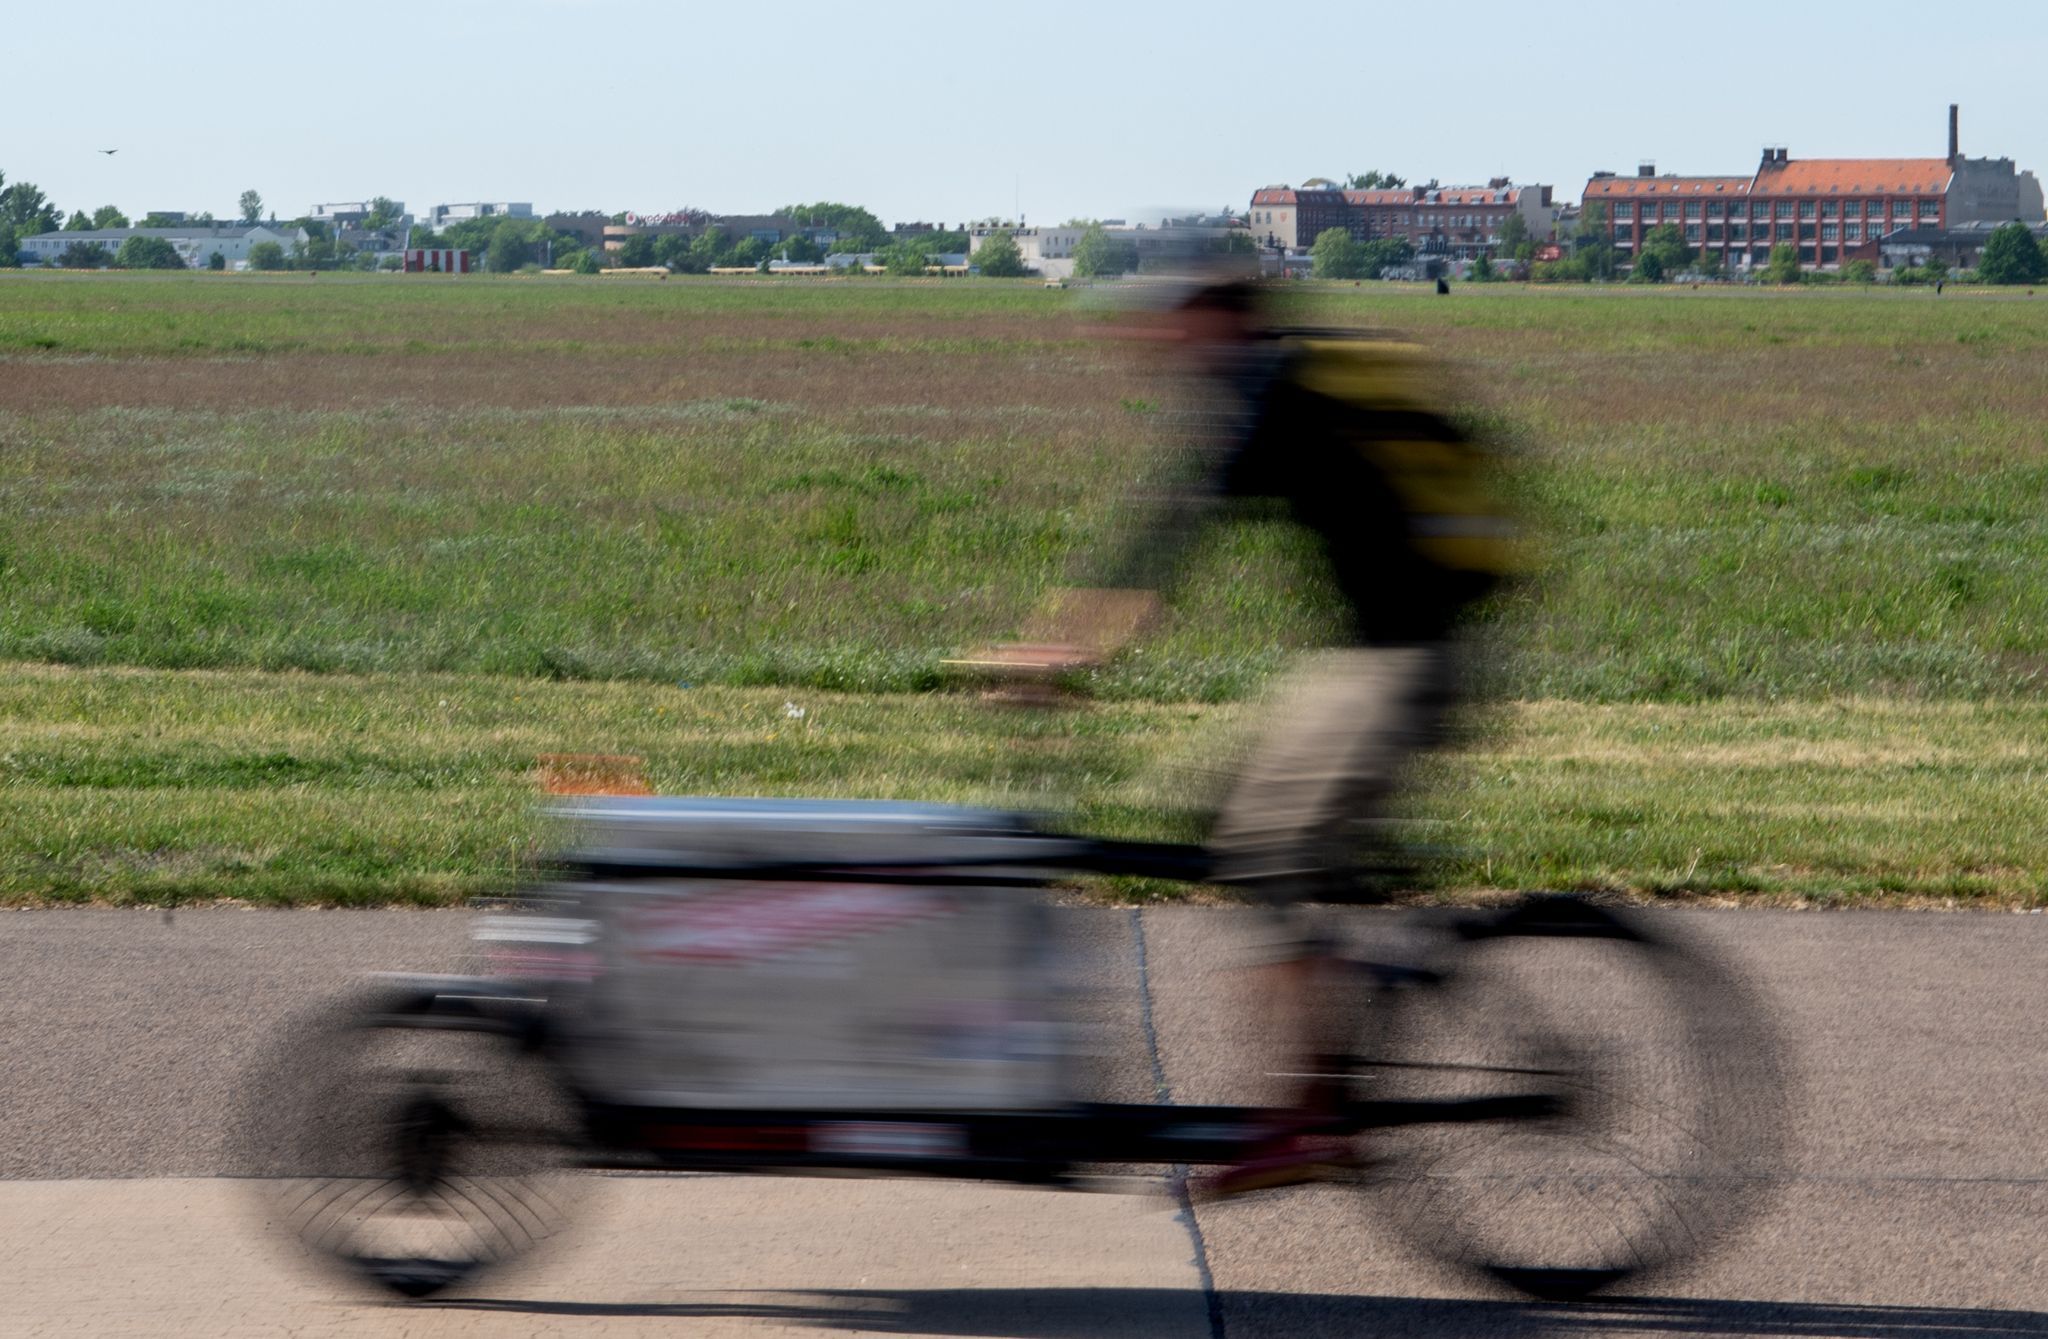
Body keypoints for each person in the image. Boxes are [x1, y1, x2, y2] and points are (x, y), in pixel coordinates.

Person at [979, 280, 1511, 906]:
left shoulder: (1281, 399)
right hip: (1368, 655)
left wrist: (1064, 647)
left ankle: (1330, 985)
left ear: (1219, 319)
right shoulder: (1286, 380)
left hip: (1411, 661)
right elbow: (1169, 524)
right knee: (1218, 813)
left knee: (1265, 849)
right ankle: (1344, 944)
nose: (1159, 338)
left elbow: (1169, 535)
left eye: (1175, 322)